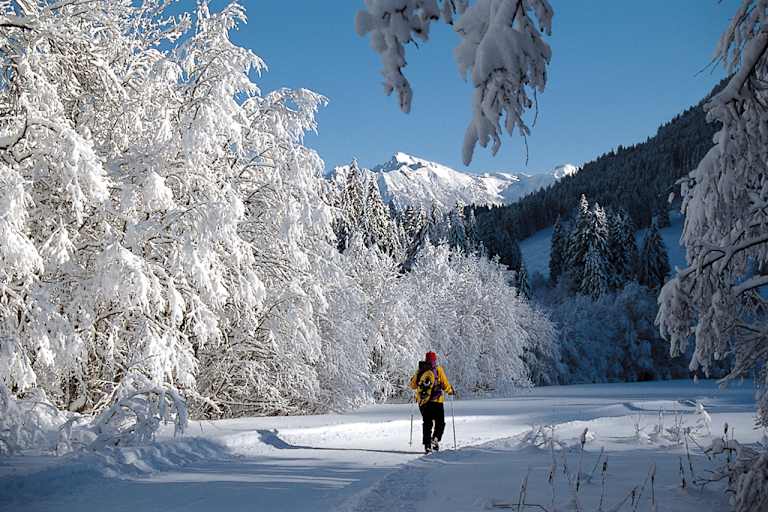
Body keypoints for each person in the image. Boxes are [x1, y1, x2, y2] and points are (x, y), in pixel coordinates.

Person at [409, 351, 454, 454]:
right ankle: (435, 439)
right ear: (435, 359)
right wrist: (450, 391)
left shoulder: (420, 370)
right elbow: (445, 384)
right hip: (437, 401)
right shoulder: (438, 369)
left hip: (424, 402)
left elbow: (412, 385)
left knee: (427, 423)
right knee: (440, 423)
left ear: (426, 359)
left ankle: (427, 445)